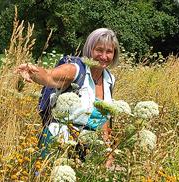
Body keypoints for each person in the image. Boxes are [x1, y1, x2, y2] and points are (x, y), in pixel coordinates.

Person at [15, 28, 120, 168]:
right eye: (99, 50)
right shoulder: (76, 69)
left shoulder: (109, 79)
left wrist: (108, 152)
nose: (103, 56)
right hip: (57, 141)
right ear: (90, 50)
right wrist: (32, 71)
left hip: (87, 148)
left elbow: (104, 120)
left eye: (109, 52)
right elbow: (49, 76)